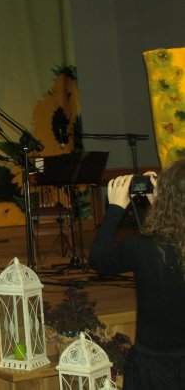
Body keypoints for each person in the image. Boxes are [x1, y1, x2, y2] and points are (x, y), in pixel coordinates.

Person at [90, 164, 185, 390]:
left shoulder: (142, 248)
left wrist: (115, 208)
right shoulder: (148, 248)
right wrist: (160, 204)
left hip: (152, 367)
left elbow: (99, 259)